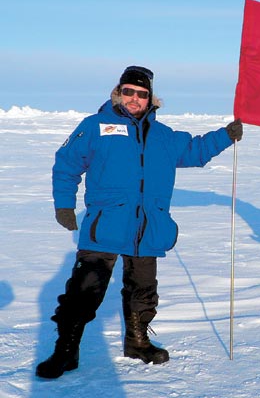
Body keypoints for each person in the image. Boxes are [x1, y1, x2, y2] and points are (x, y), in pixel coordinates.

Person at [36, 66, 243, 379]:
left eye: (141, 94)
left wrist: (226, 135)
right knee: (84, 290)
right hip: (105, 225)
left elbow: (195, 150)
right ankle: (66, 349)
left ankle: (137, 341)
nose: (134, 98)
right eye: (128, 91)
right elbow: (66, 165)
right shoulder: (95, 126)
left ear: (151, 100)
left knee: (143, 290)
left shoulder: (163, 136)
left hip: (148, 227)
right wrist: (64, 205)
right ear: (119, 93)